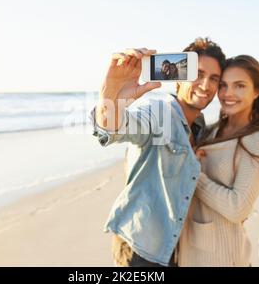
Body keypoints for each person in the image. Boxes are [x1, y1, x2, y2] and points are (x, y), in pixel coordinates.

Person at [91, 38, 225, 266]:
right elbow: (118, 127)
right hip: (140, 249)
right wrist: (110, 97)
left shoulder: (200, 125)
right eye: (197, 74)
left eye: (214, 79)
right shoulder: (159, 111)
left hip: (172, 249)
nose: (205, 85)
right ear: (178, 77)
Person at [177, 55, 259, 267]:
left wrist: (193, 172)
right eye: (223, 85)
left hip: (222, 257)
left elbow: (237, 208)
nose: (228, 94)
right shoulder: (212, 130)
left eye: (240, 86)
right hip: (189, 253)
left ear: (257, 91)